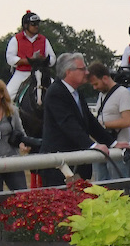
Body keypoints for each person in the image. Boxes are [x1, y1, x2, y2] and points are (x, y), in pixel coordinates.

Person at [37, 52, 117, 184]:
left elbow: (90, 122)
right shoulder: (55, 92)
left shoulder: (77, 92)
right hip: (58, 168)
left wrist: (113, 143)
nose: (87, 72)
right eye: (83, 69)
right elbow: (68, 124)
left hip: (77, 164)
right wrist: (92, 145)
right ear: (69, 72)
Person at [87, 63, 130, 182]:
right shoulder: (101, 95)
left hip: (118, 148)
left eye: (96, 84)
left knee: (119, 186)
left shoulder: (123, 93)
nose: (95, 87)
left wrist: (101, 126)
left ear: (105, 78)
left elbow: (127, 121)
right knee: (100, 185)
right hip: (102, 147)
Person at [4, 10, 50, 99]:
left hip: (41, 73)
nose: (36, 26)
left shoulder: (44, 40)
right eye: (33, 24)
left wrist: (43, 59)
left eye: (37, 24)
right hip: (22, 73)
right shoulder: (16, 39)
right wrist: (27, 61)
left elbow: (52, 59)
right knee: (7, 96)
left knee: (58, 94)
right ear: (25, 25)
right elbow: (10, 58)